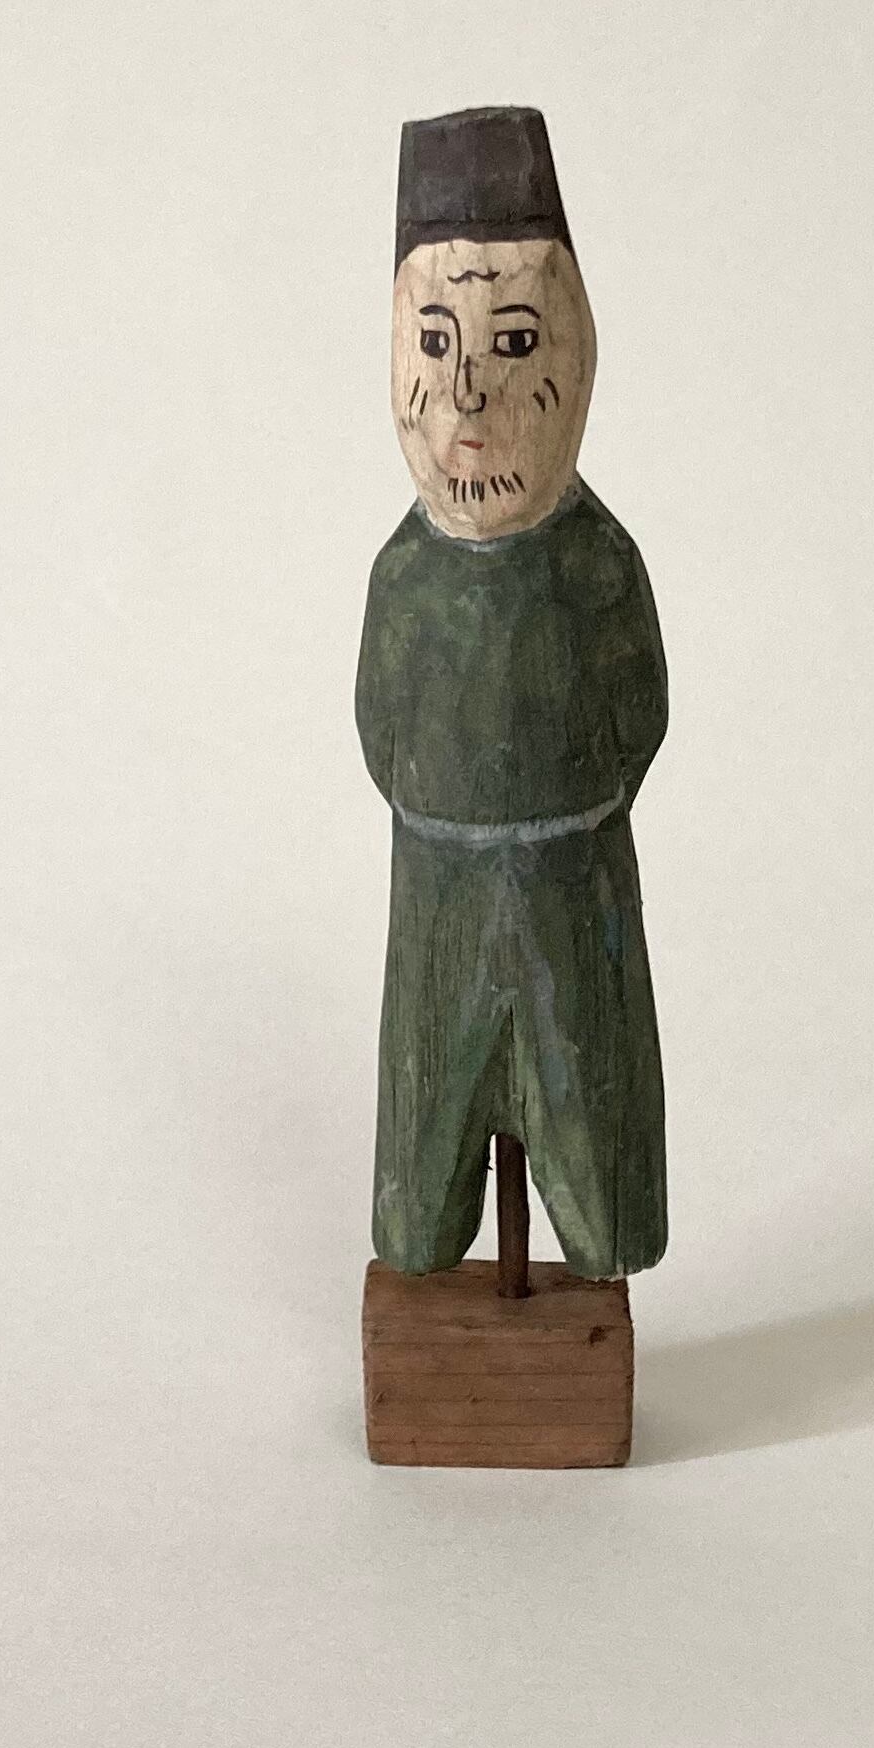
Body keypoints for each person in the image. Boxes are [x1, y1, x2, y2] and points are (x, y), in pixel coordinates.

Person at [355, 106, 669, 1280]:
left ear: (576, 355)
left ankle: (599, 1240)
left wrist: (556, 822)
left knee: (591, 1128)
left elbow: (638, 713)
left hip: (570, 898)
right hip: (435, 902)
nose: (469, 393)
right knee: (424, 1139)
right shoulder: (404, 574)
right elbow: (379, 730)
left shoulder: (596, 566)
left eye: (516, 340)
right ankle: (424, 1241)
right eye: (434, 342)